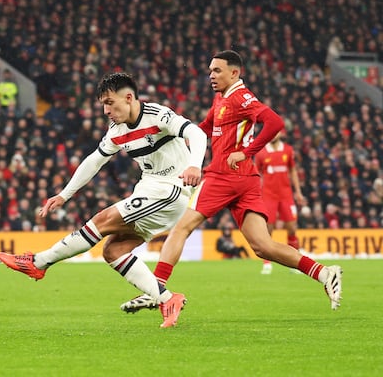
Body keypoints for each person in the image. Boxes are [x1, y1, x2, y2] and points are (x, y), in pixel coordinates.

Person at [120, 50, 342, 327]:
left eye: (217, 71)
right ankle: (323, 272)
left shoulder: (241, 97)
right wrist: (176, 136)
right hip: (246, 179)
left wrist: (247, 151)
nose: (211, 75)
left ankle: (156, 289)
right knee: (263, 246)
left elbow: (275, 122)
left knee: (181, 228)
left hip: (223, 175)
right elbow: (203, 129)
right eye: (210, 70)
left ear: (234, 73)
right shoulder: (221, 97)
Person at [0, 72, 207, 315]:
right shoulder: (117, 130)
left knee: (102, 220)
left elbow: (197, 133)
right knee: (113, 251)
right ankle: (167, 299)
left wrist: (194, 165)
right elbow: (95, 161)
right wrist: (64, 195)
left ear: (129, 97)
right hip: (150, 188)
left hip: (171, 188)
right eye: (103, 105)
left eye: (110, 103)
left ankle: (38, 263)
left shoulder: (158, 115)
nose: (106, 110)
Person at [256, 131, 306, 274]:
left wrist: (298, 192)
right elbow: (256, 174)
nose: (273, 135)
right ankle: (267, 263)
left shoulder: (288, 150)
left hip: (286, 195)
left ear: (281, 134)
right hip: (268, 195)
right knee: (268, 229)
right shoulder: (261, 153)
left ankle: (295, 263)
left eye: (275, 132)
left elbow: (293, 171)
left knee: (292, 228)